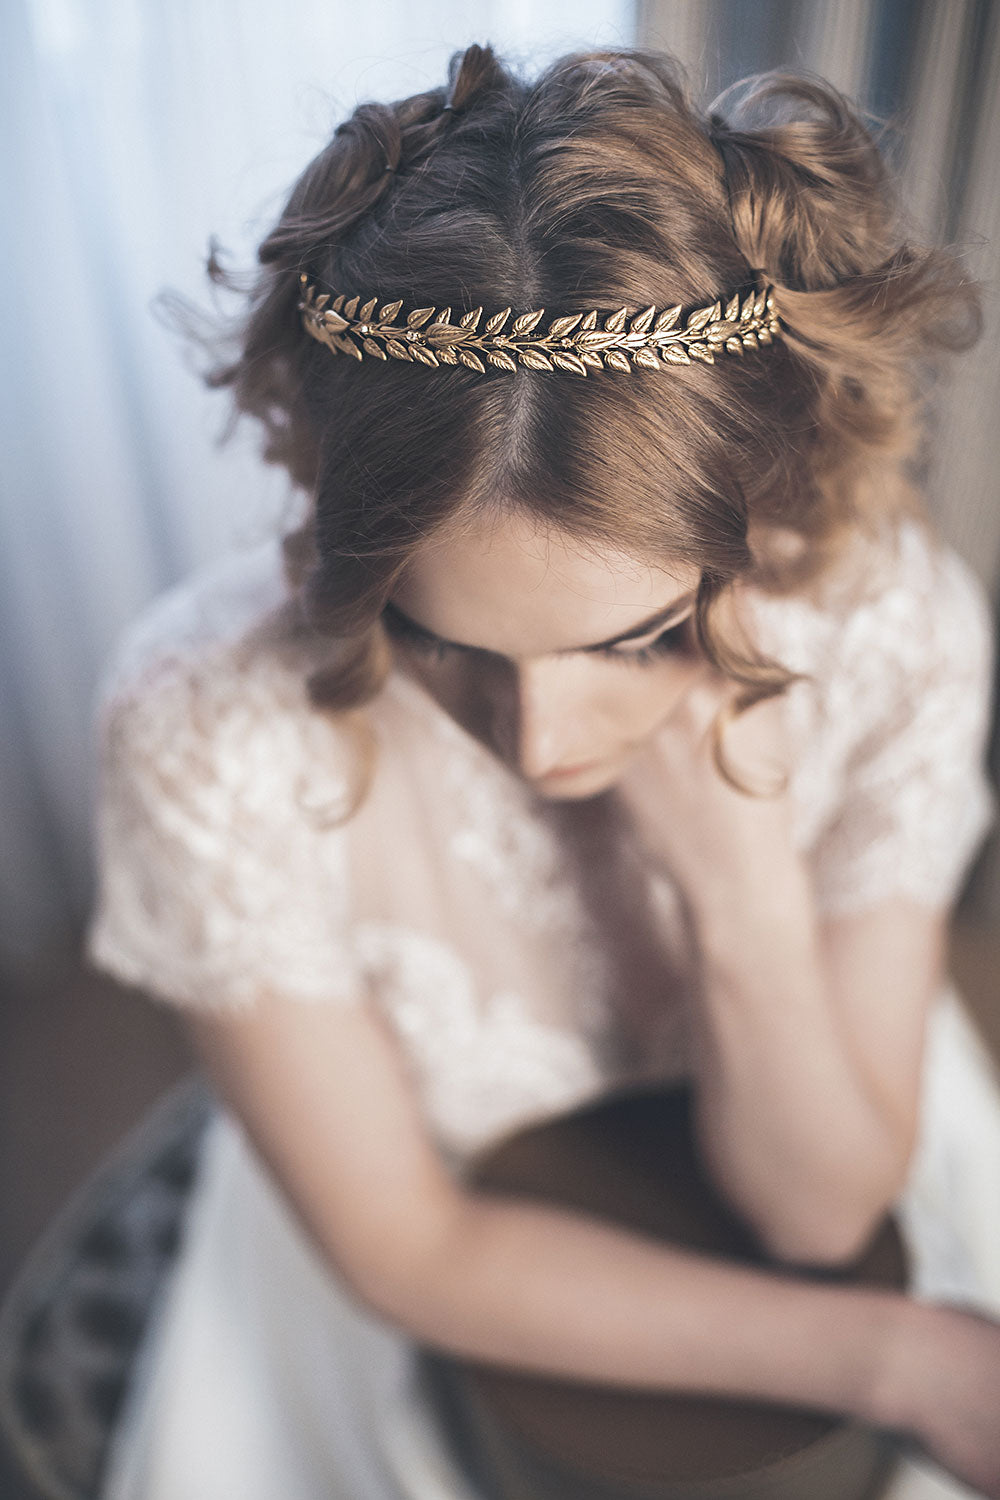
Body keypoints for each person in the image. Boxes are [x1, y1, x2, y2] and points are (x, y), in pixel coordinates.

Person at [82, 41, 1000, 1500]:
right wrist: (897, 1360)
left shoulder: (889, 634)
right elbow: (412, 1245)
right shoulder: (206, 727)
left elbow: (824, 1216)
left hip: (829, 1105)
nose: (544, 744)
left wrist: (741, 890)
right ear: (336, 521)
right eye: (436, 643)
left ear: (758, 506)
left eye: (632, 642)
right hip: (440, 1267)